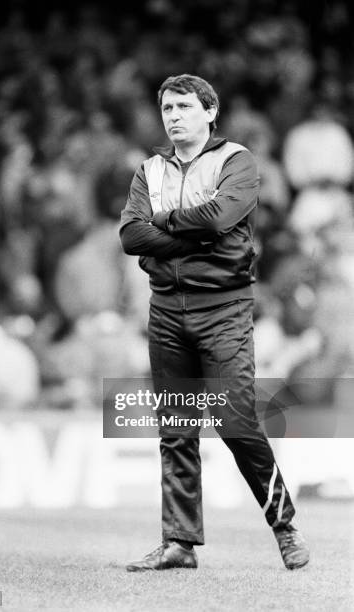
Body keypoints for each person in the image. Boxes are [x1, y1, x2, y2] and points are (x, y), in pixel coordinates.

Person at [119, 74, 309, 572]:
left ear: (209, 112)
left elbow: (220, 219)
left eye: (184, 106)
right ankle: (179, 543)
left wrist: (163, 224)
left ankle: (285, 527)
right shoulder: (149, 170)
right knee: (176, 428)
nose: (174, 116)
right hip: (165, 310)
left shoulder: (236, 160)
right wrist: (188, 232)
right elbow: (129, 235)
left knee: (236, 421)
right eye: (167, 109)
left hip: (223, 308)